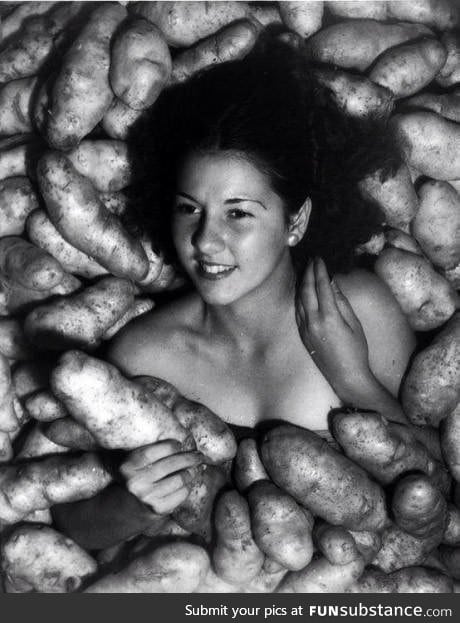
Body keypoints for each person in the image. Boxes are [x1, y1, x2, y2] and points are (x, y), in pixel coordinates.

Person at [53, 31, 419, 547]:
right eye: (189, 209)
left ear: (295, 221)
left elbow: (440, 485)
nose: (205, 240)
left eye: (239, 213)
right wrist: (130, 504)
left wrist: (355, 380)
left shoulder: (360, 311)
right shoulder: (145, 355)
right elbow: (71, 525)